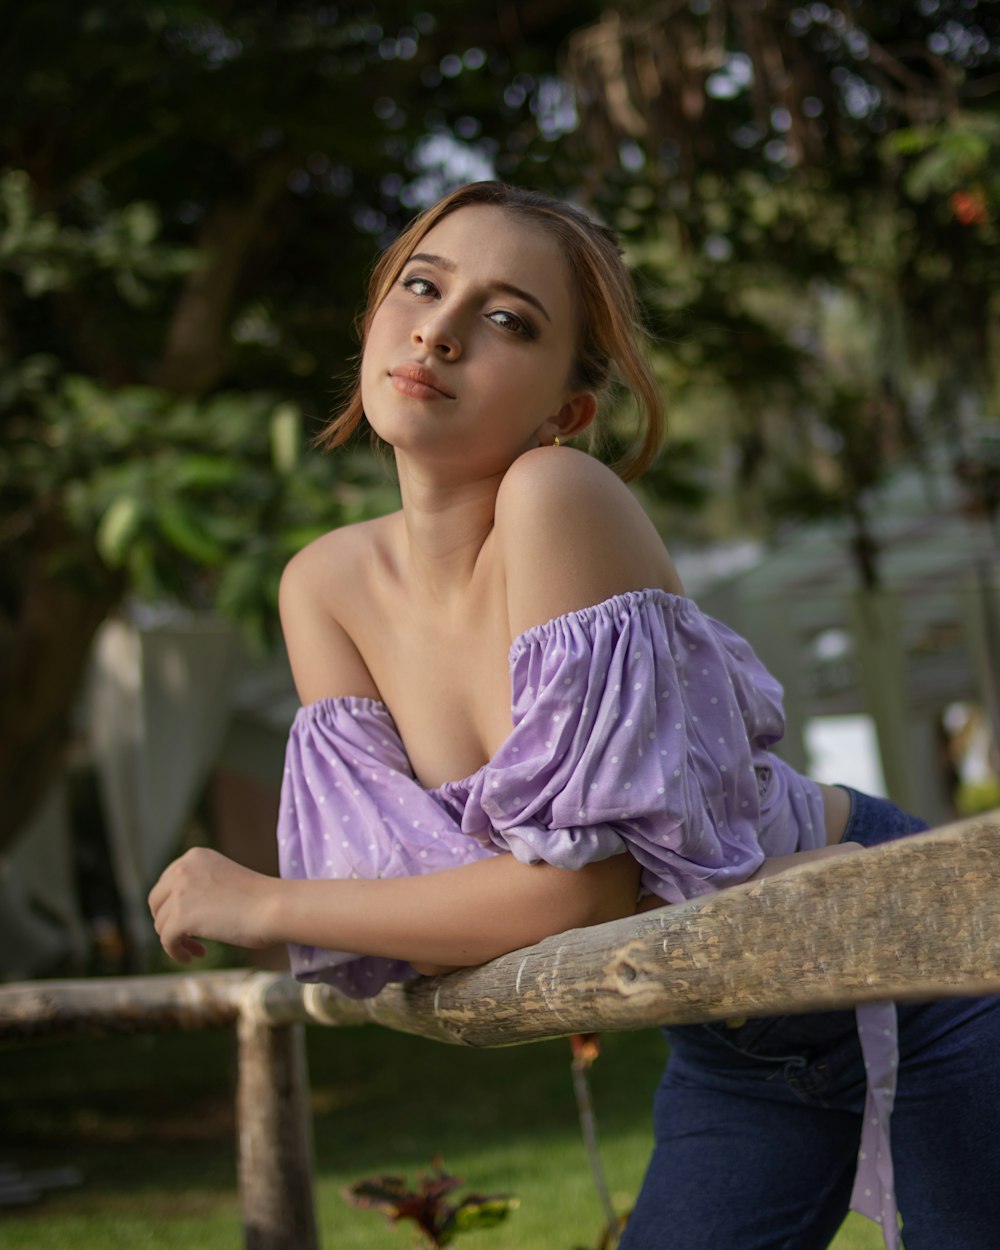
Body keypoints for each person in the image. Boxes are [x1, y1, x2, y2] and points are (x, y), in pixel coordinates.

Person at [149, 182, 999, 1250]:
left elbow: (581, 886)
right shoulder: (321, 585)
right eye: (420, 284)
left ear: (565, 411)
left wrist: (266, 903)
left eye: (508, 320)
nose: (441, 329)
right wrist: (344, 905)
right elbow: (395, 906)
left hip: (914, 957)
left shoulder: (555, 494)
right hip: (730, 1016)